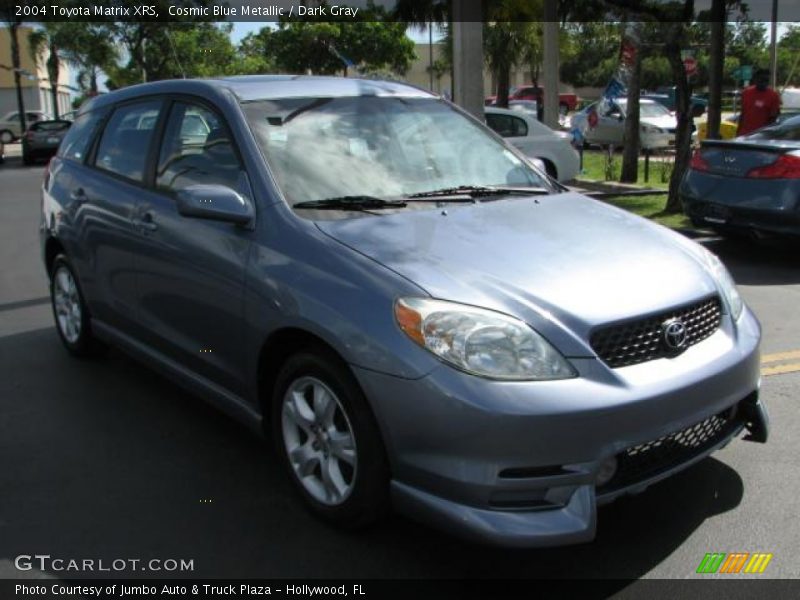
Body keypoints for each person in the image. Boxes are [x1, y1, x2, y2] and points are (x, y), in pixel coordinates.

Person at [737, 68, 781, 136]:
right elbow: (743, 114)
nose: (764, 82)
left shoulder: (773, 96)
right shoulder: (746, 93)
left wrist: (766, 134)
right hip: (744, 134)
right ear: (755, 79)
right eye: (762, 79)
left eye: (766, 80)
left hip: (761, 136)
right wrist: (738, 132)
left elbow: (773, 118)